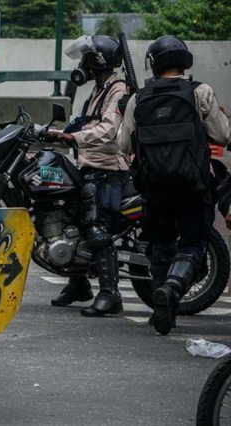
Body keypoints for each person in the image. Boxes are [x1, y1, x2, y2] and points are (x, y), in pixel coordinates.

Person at [118, 35, 231, 335]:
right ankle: (171, 288)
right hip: (194, 184)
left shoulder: (138, 98)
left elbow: (121, 143)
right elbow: (222, 136)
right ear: (184, 61)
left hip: (154, 187)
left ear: (154, 64)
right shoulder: (200, 92)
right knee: (193, 242)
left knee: (160, 244)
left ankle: (161, 308)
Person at [47, 35, 129, 317]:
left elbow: (108, 131)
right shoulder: (100, 89)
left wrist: (73, 137)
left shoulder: (118, 91)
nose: (83, 65)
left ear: (97, 62)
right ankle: (79, 284)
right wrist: (57, 134)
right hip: (90, 164)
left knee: (96, 227)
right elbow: (85, 124)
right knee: (71, 219)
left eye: (87, 59)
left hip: (108, 169)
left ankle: (110, 294)